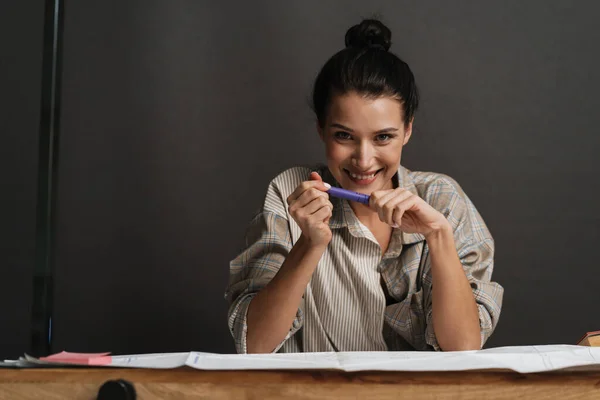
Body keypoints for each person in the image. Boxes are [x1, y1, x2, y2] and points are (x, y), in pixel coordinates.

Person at [225, 18, 503, 354]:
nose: (364, 159)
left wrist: (438, 236)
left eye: (383, 137)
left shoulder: (442, 198)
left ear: (408, 130)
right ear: (321, 129)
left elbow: (463, 348)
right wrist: (309, 245)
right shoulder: (289, 193)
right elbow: (253, 346)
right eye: (344, 136)